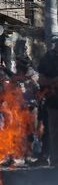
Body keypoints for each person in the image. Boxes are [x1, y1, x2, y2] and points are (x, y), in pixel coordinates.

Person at [38, 35, 58, 166]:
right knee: (54, 133)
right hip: (54, 102)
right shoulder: (48, 58)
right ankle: (56, 162)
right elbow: (41, 79)